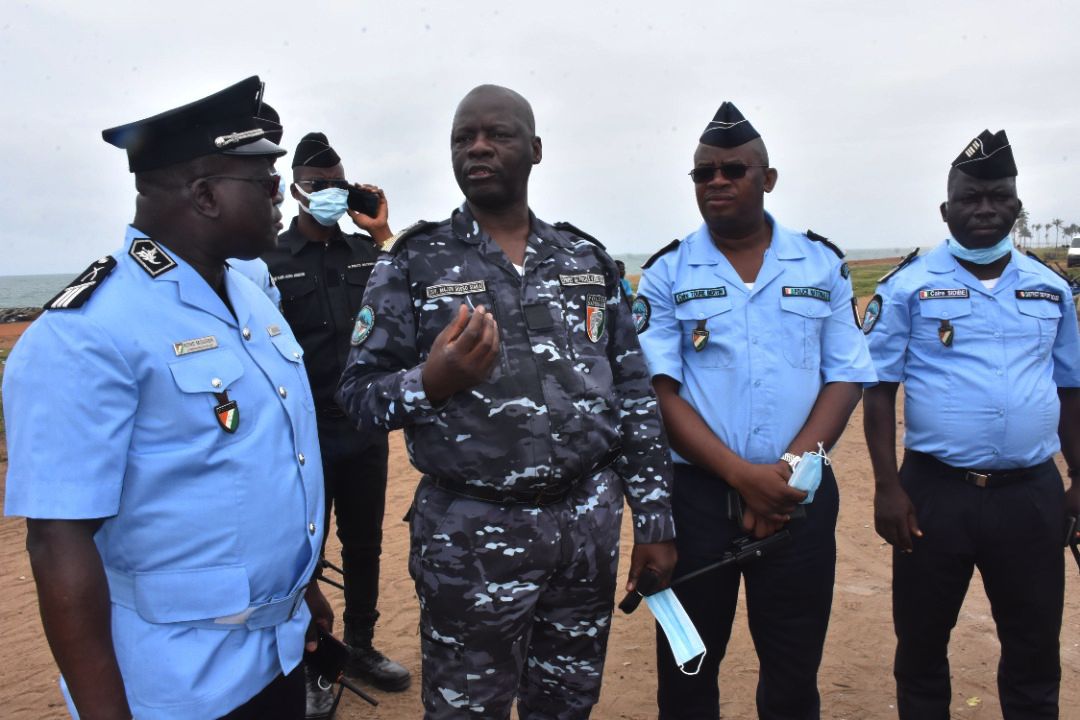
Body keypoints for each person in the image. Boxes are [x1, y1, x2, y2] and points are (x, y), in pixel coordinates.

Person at [336, 84, 676, 719]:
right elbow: (357, 397)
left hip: (585, 535)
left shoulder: (586, 260)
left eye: (497, 135)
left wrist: (654, 519)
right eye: (463, 138)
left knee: (567, 706)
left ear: (536, 149)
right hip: (470, 542)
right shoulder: (414, 262)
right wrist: (430, 381)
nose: (479, 148)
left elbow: (632, 391)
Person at [1, 77, 331, 720]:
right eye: (264, 182)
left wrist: (303, 588)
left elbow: (261, 467)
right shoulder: (86, 335)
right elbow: (58, 541)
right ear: (205, 195)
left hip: (279, 651)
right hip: (179, 687)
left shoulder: (252, 295)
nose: (280, 198)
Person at [634, 101, 875, 719]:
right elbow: (659, 392)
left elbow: (845, 376)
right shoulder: (666, 272)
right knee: (687, 674)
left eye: (733, 169)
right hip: (695, 506)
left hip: (798, 503)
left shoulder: (821, 264)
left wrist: (788, 472)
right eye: (703, 173)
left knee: (793, 674)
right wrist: (744, 479)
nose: (717, 181)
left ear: (767, 179)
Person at [863, 129, 1080, 719]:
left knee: (1035, 652)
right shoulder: (905, 287)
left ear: (1015, 204)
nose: (985, 209)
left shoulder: (1052, 288)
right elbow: (878, 392)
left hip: (1032, 496)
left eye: (998, 196)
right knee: (922, 649)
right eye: (970, 198)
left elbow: (1071, 389)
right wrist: (888, 487)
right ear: (946, 209)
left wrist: (1079, 479)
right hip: (934, 495)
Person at [261, 131, 411, 703]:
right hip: (301, 436)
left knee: (365, 544)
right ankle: (316, 662)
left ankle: (363, 644)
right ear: (297, 188)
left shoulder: (368, 255)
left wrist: (379, 230)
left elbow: (414, 298)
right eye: (319, 185)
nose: (329, 193)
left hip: (363, 429)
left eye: (338, 185)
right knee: (305, 550)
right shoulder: (266, 260)